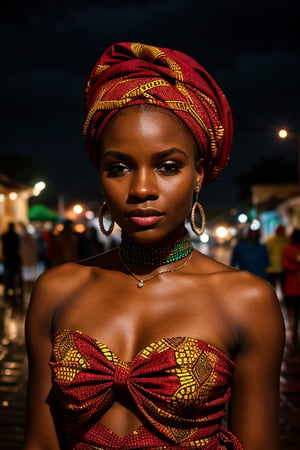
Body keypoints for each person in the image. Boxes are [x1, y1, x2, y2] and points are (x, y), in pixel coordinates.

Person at [24, 42, 285, 450]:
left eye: (168, 166)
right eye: (119, 167)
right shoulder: (56, 291)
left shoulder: (247, 301)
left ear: (198, 173)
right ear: (100, 175)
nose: (142, 189)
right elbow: (39, 442)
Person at [282, 228, 300, 343]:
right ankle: (294, 330)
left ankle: (293, 329)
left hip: (291, 284)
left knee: (292, 309)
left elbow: (285, 264)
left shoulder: (287, 248)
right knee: (294, 308)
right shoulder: (288, 249)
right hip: (292, 283)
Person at [1, 222, 23, 308]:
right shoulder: (16, 236)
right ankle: (15, 291)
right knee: (15, 276)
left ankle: (9, 292)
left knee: (8, 276)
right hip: (14, 259)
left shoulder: (4, 236)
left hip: (8, 259)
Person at [266, 224, 288, 295]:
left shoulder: (271, 241)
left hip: (275, 268)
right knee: (281, 287)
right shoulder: (286, 241)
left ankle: (273, 301)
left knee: (273, 287)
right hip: (278, 268)